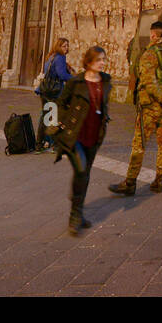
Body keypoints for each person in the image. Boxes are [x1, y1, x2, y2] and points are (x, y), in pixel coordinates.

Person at [110, 21, 162, 196]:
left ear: (153, 34)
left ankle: (130, 182)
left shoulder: (148, 55)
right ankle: (159, 179)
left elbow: (148, 81)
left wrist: (161, 97)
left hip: (150, 107)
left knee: (139, 143)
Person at [49, 46, 112, 236]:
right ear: (89, 61)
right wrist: (59, 122)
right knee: (82, 170)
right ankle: (75, 216)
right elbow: (60, 103)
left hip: (95, 134)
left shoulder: (106, 81)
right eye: (99, 59)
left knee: (84, 174)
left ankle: (79, 209)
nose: (103, 63)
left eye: (104, 59)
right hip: (75, 133)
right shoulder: (76, 83)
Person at [34, 37, 71, 152]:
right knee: (57, 117)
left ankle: (40, 144)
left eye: (67, 46)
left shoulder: (51, 57)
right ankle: (54, 144)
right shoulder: (60, 58)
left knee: (47, 117)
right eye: (64, 46)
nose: (66, 48)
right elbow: (62, 75)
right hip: (54, 92)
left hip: (45, 90)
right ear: (58, 46)